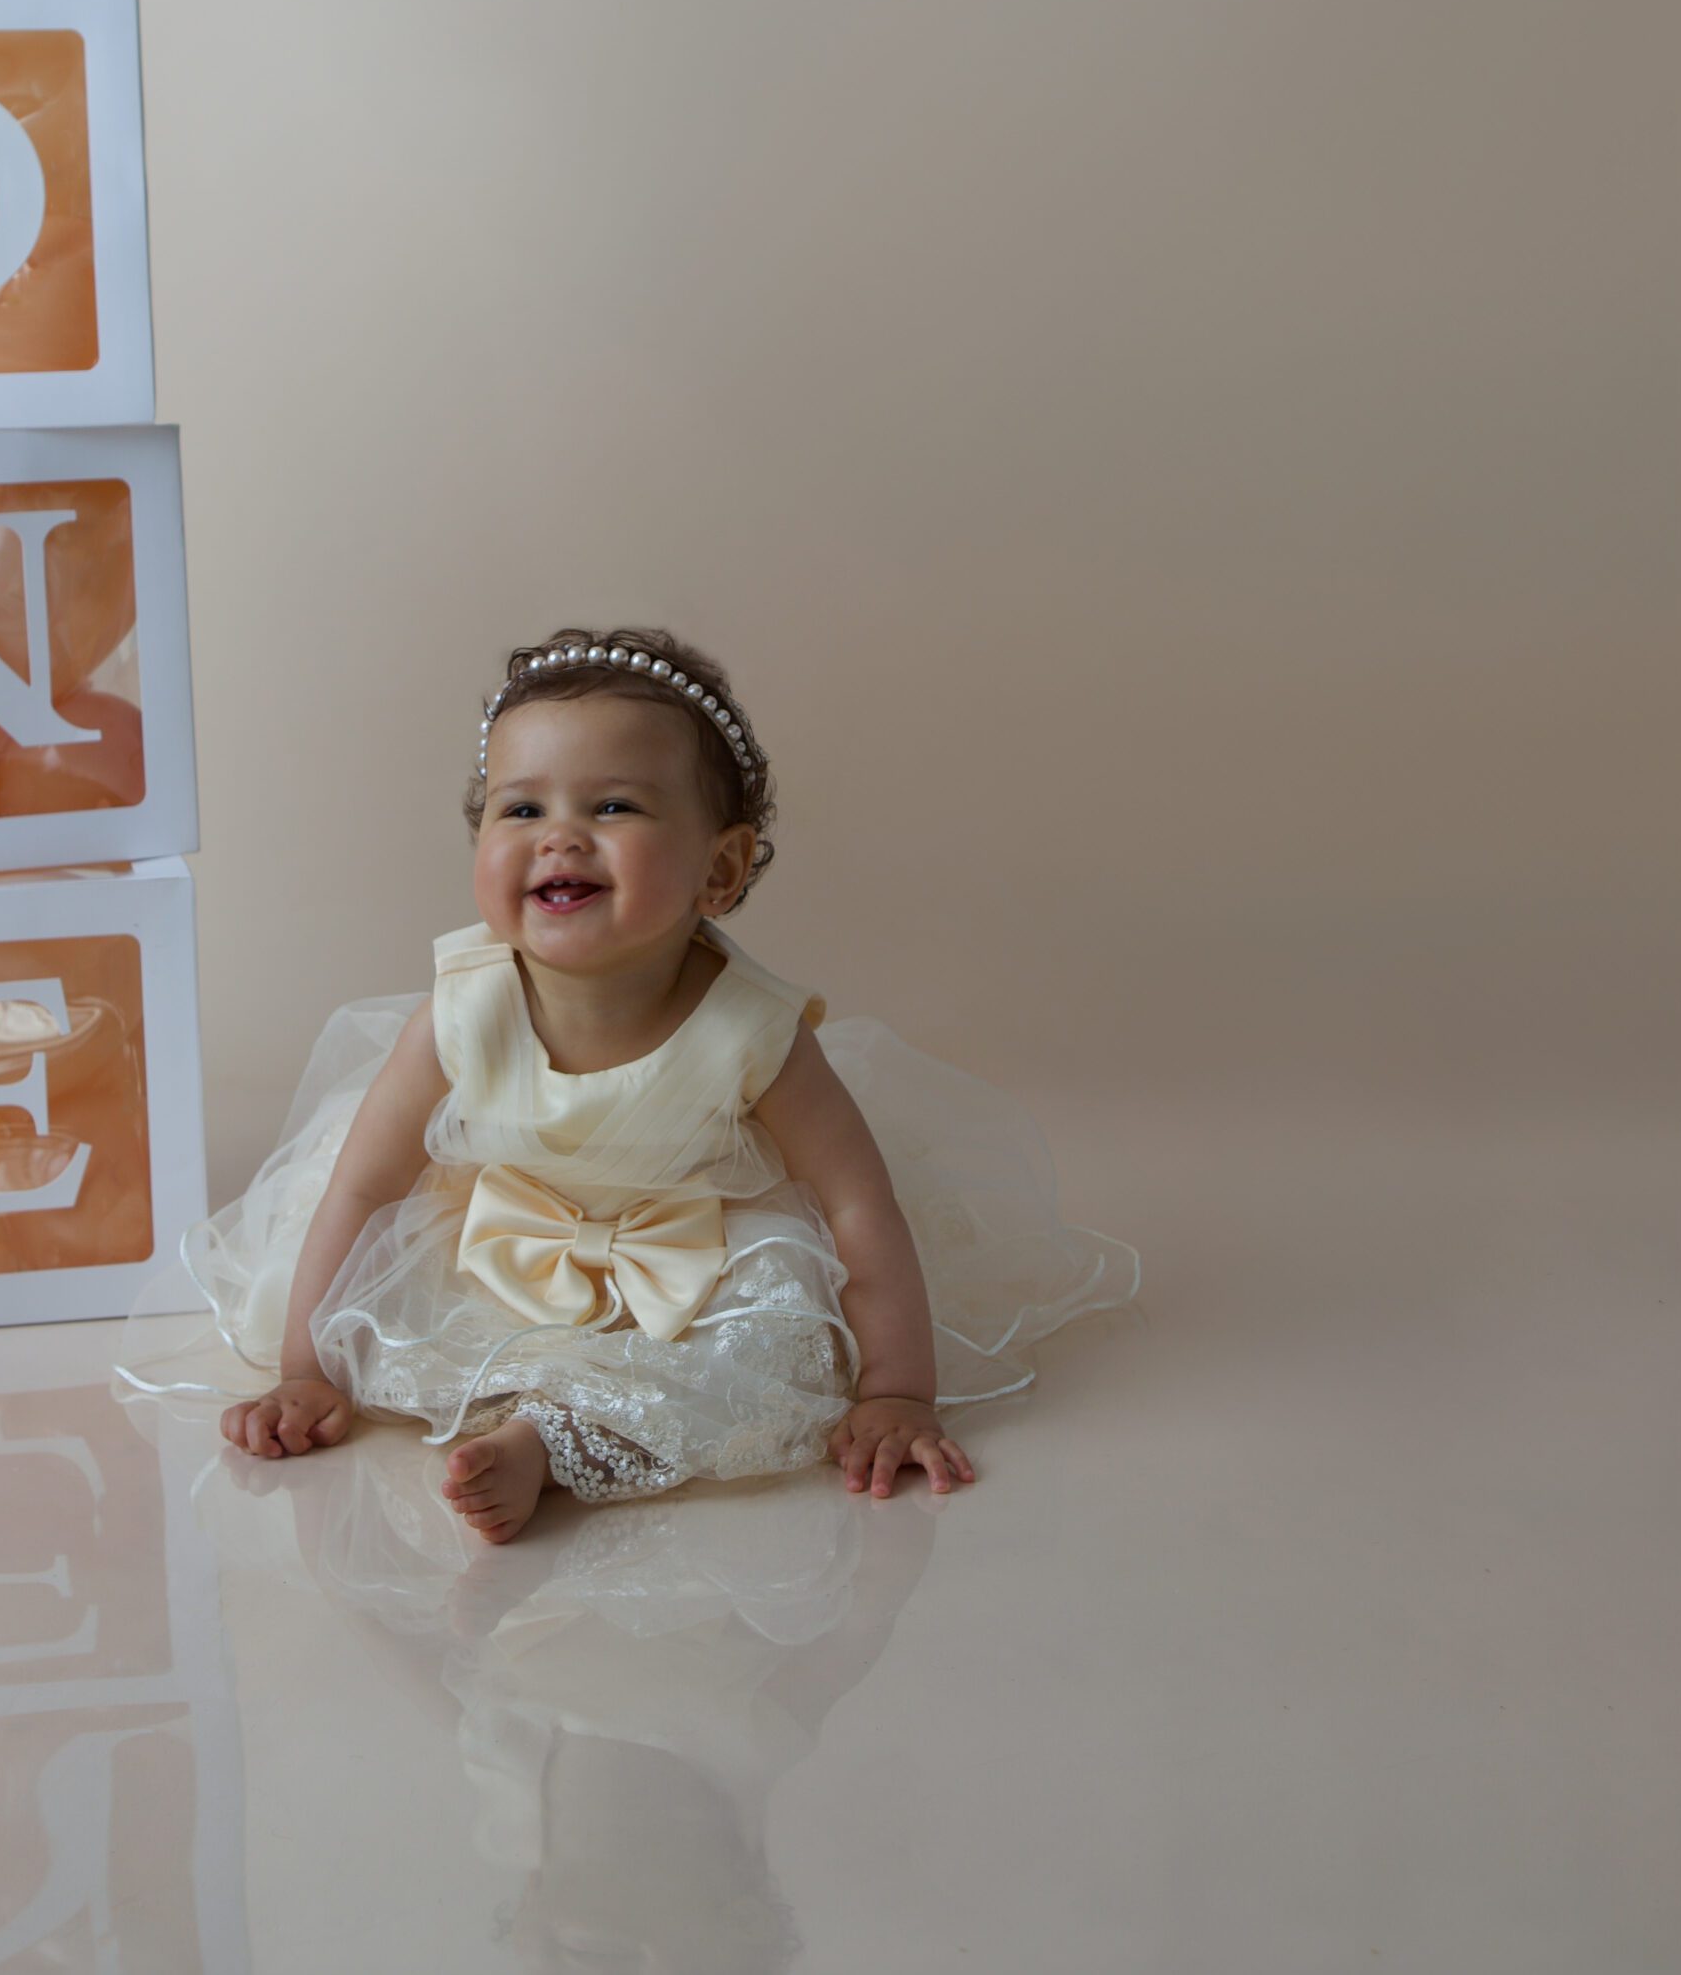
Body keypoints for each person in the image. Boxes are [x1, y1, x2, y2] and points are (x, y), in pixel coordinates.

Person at [122, 627, 1139, 1543]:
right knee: (396, 1331)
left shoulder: (751, 1028)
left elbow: (855, 1200)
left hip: (696, 1249)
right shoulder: (465, 1006)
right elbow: (363, 1185)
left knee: (759, 1366)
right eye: (521, 808)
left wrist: (900, 1391)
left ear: (719, 871)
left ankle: (548, 1447)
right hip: (496, 1240)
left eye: (613, 806)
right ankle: (526, 1416)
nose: (558, 836)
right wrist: (305, 1367)